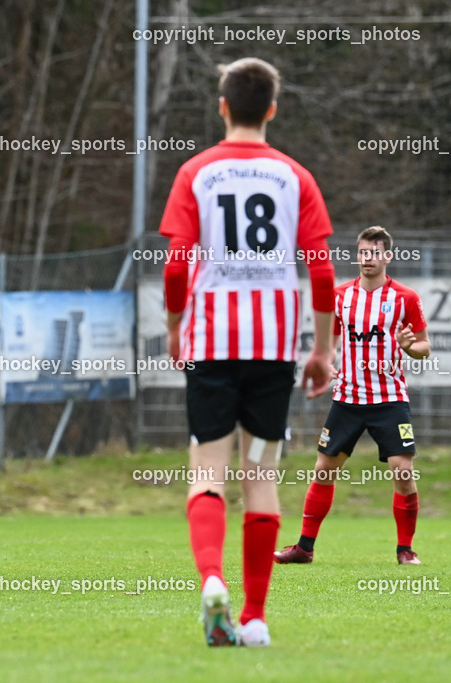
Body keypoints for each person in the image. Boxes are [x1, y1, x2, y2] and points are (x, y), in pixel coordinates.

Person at [159, 58, 336, 647]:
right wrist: (323, 350)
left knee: (207, 470)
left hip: (212, 344)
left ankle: (213, 582)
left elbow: (178, 263)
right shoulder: (296, 178)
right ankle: (255, 619)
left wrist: (176, 326)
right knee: (261, 476)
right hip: (272, 348)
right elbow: (321, 269)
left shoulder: (197, 173)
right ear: (273, 110)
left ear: (223, 106)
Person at [275, 226, 429, 567]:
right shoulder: (340, 296)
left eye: (374, 253)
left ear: (388, 256)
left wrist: (409, 347)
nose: (367, 258)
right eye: (362, 252)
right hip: (348, 398)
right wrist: (328, 364)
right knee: (324, 470)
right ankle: (304, 547)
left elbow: (424, 346)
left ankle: (405, 550)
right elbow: (328, 345)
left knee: (403, 471)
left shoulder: (405, 298)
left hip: (389, 399)